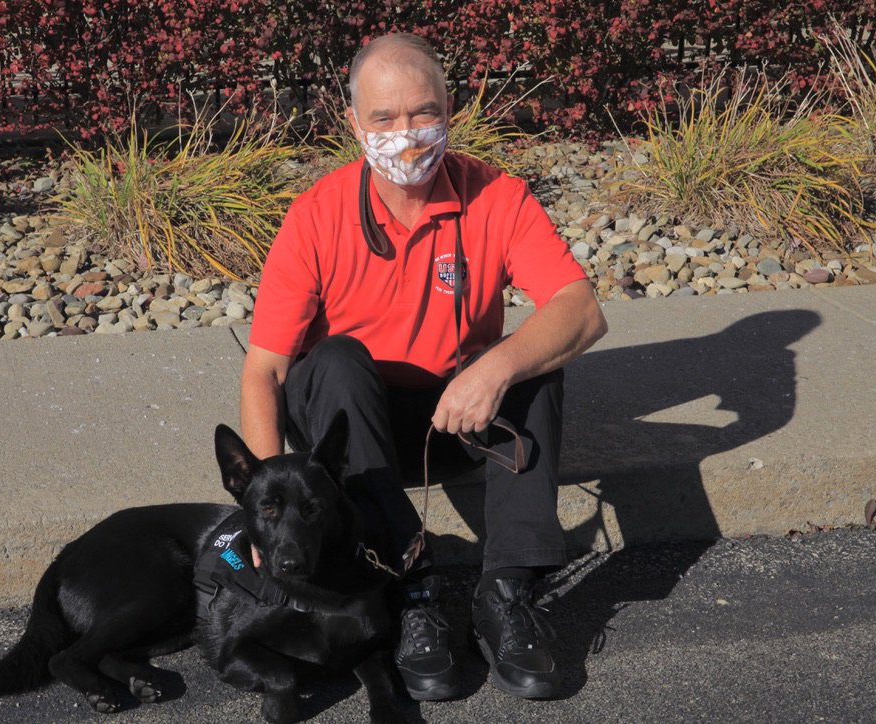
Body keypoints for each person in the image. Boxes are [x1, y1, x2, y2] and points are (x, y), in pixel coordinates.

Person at [239, 33, 608, 701]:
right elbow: (263, 371)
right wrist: (263, 517)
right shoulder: (314, 216)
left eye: (421, 114)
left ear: (449, 110)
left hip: (457, 419)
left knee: (534, 361)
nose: (405, 135)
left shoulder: (496, 195)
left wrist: (497, 367)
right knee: (338, 358)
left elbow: (581, 310)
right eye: (383, 118)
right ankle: (413, 591)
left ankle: (507, 594)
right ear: (355, 124)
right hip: (350, 435)